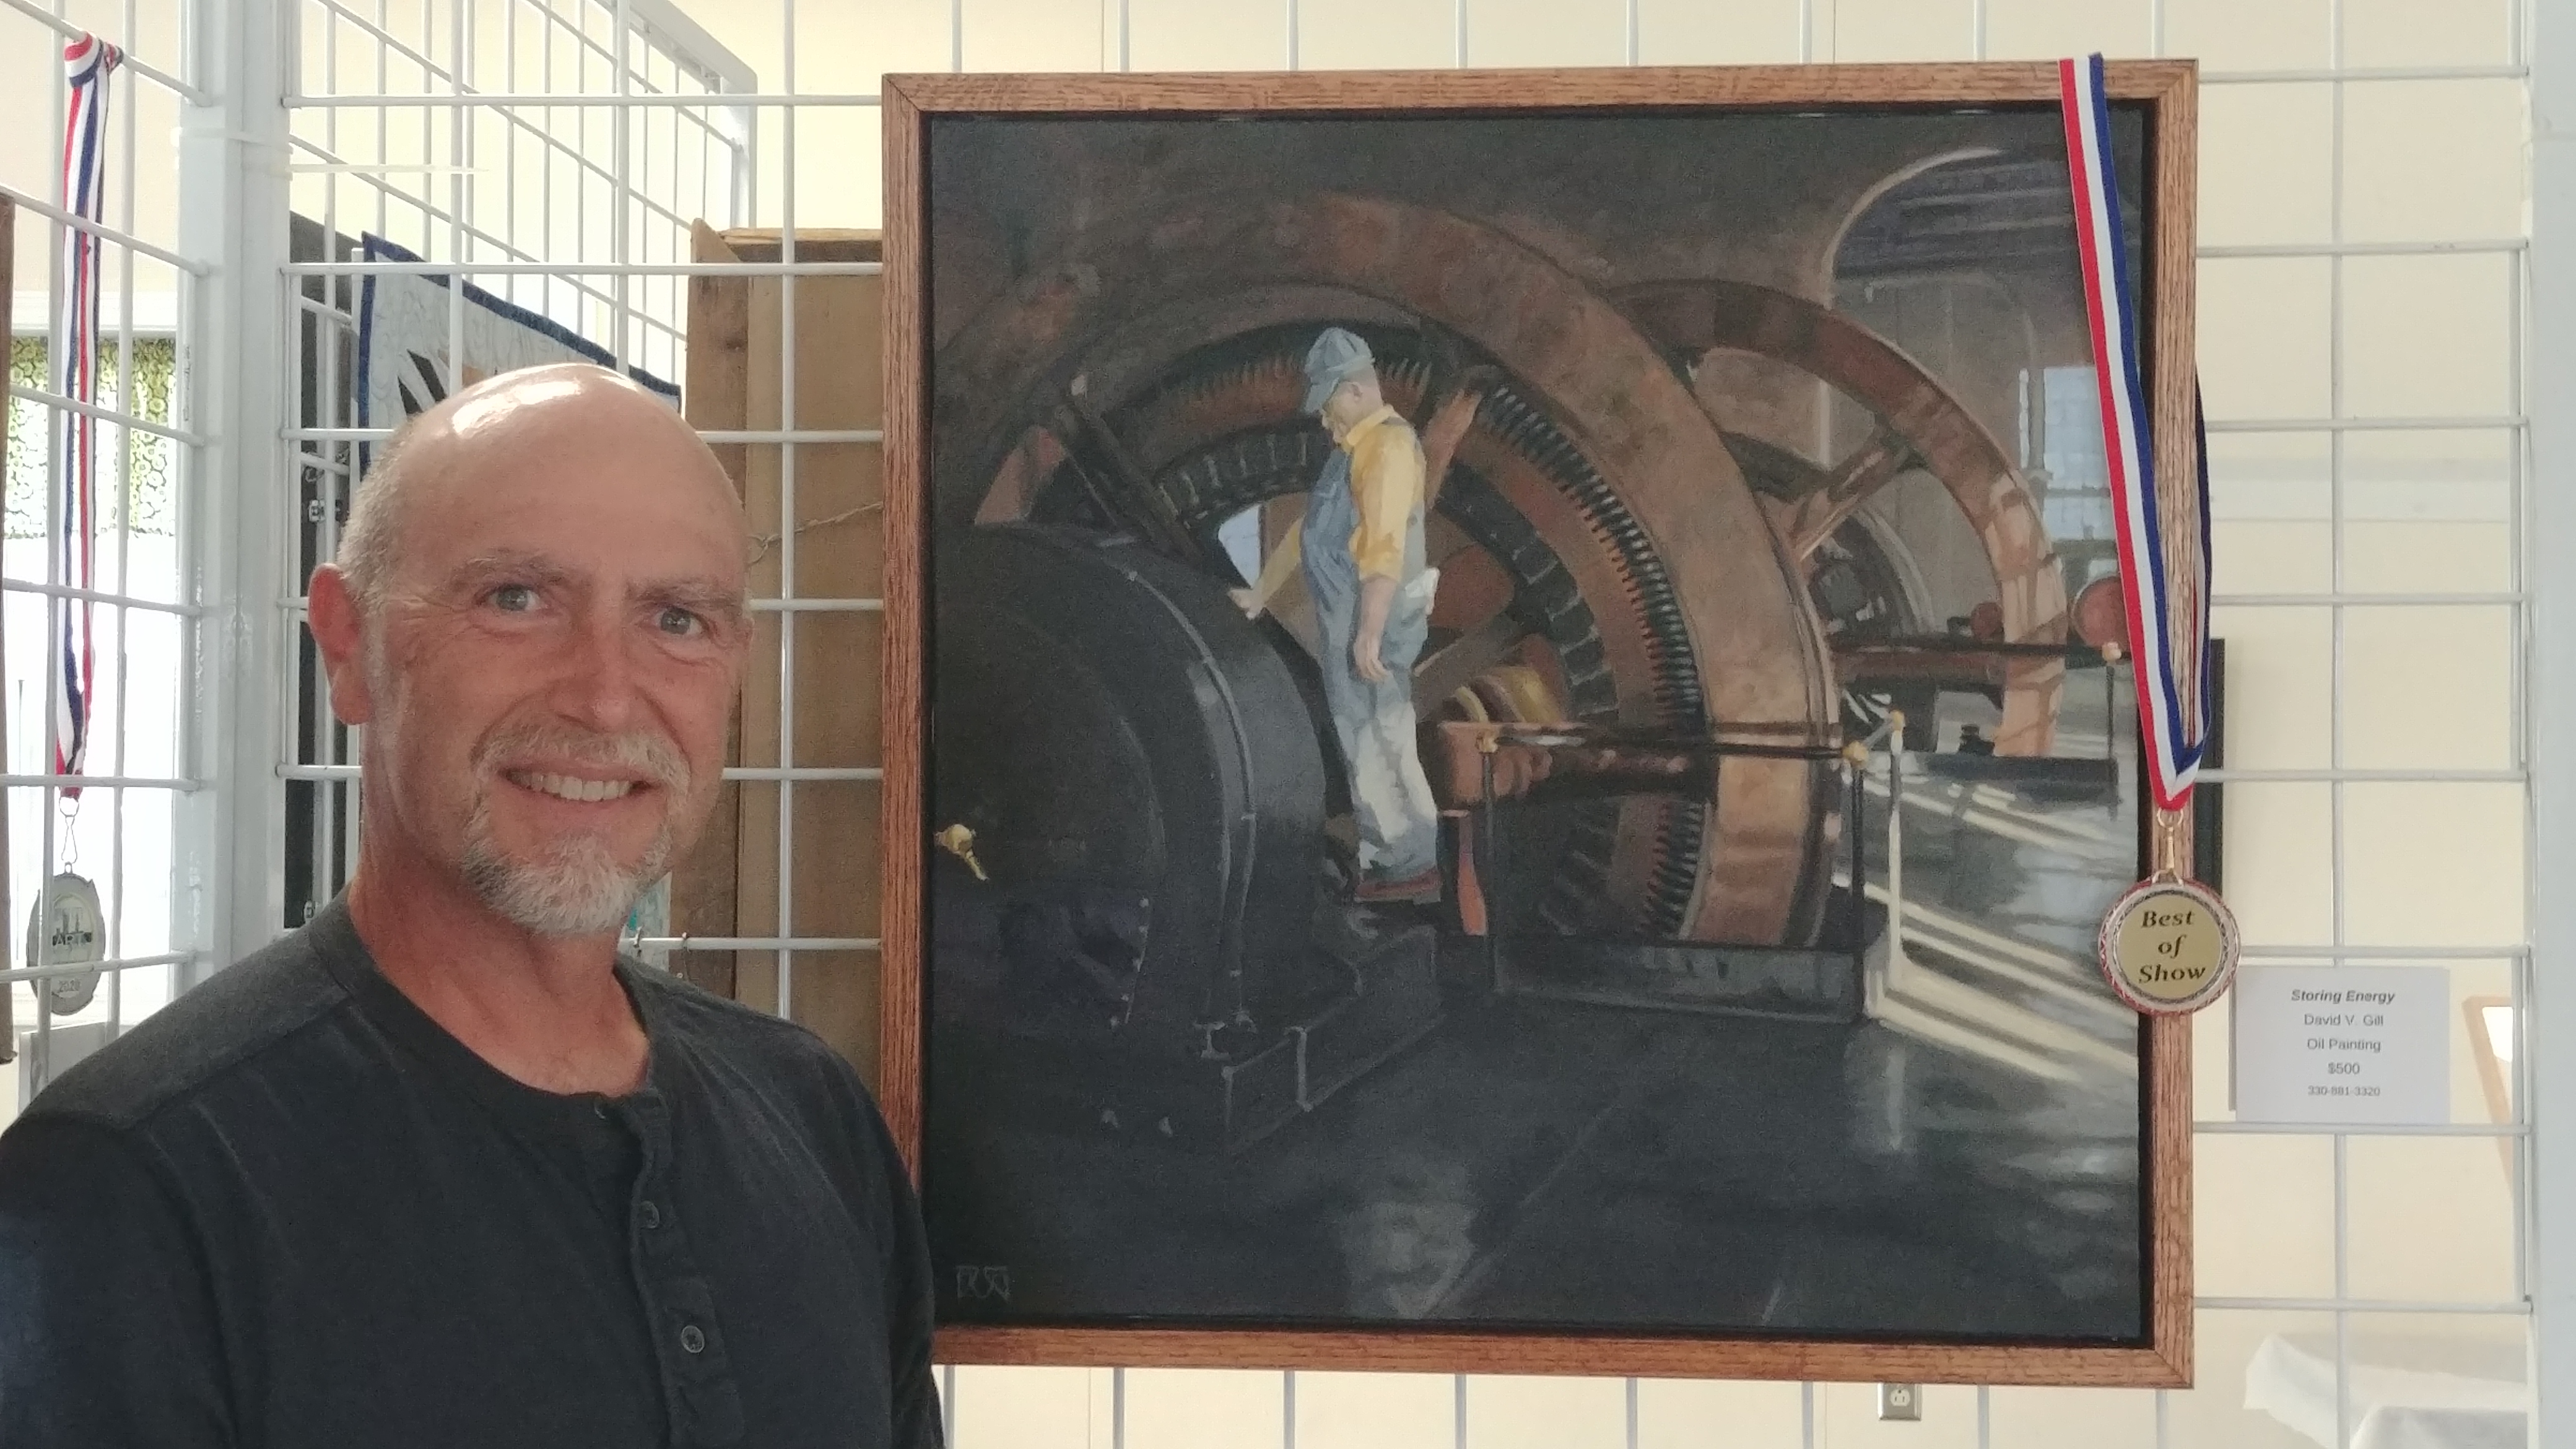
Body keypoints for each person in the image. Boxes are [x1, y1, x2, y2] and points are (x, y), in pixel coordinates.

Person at [0, 365, 941, 1448]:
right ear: (347, 644)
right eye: (516, 600)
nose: (605, 696)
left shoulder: (814, 1118)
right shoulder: (131, 1190)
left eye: (677, 619)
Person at [1235, 328, 1473, 903]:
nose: (1323, 419)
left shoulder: (1386, 451)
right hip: (1353, 623)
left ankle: (1405, 866)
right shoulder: (1353, 451)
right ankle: (1393, 860)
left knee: (1378, 740)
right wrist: (1261, 593)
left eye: (1328, 404)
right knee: (1368, 738)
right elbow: (1310, 530)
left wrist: (1369, 632)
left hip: (1373, 624)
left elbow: (1384, 547)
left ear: (1357, 390)